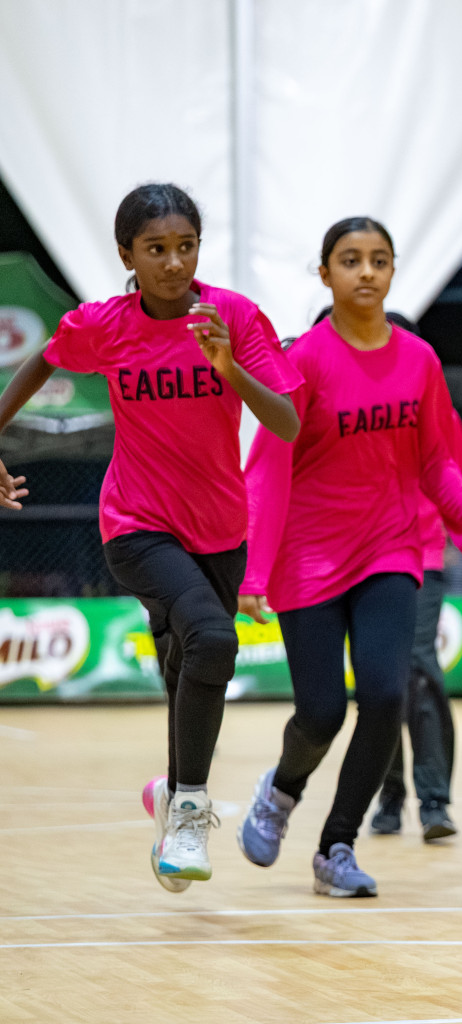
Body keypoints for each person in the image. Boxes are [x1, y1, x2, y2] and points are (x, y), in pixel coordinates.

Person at [0, 183, 302, 891]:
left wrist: (230, 369)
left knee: (185, 663)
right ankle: (190, 812)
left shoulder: (232, 317)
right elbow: (45, 357)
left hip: (220, 529)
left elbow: (286, 423)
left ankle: (170, 795)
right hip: (136, 524)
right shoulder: (105, 324)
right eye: (156, 248)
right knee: (215, 639)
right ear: (126, 255)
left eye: (186, 246)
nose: (173, 262)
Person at [235, 217, 462, 897]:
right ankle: (282, 789)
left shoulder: (419, 359)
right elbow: (268, 470)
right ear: (325, 274)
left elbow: (435, 461)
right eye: (350, 260)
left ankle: (336, 846)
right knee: (321, 712)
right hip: (308, 557)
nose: (367, 271)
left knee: (385, 694)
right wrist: (254, 571)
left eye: (379, 259)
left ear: (393, 270)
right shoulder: (303, 361)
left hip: (389, 550)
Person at [369, 312, 462, 842]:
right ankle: (389, 792)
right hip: (357, 560)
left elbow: (454, 482)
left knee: (419, 668)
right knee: (380, 682)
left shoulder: (429, 405)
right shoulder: (340, 399)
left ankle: (434, 800)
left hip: (419, 555)